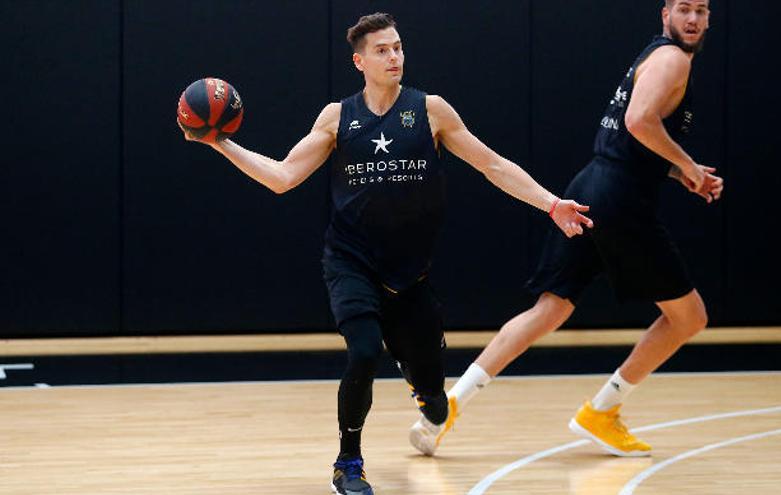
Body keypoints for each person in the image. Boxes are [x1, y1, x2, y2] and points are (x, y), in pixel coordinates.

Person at [180, 12, 592, 495]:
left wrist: (551, 203)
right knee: (362, 352)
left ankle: (423, 385)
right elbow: (282, 178)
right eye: (382, 50)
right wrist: (220, 142)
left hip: (410, 273)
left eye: (397, 47)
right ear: (360, 61)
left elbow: (493, 165)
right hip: (351, 261)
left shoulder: (431, 110)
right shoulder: (338, 118)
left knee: (436, 401)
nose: (394, 56)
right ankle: (347, 463)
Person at [410, 0, 723, 458]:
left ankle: (448, 406)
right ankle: (602, 411)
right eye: (684, 9)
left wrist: (681, 173)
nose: (692, 19)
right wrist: (687, 162)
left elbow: (631, 137)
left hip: (594, 184)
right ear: (665, 14)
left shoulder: (654, 55)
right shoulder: (672, 58)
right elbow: (638, 122)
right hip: (621, 200)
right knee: (689, 317)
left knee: (550, 309)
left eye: (701, 10)